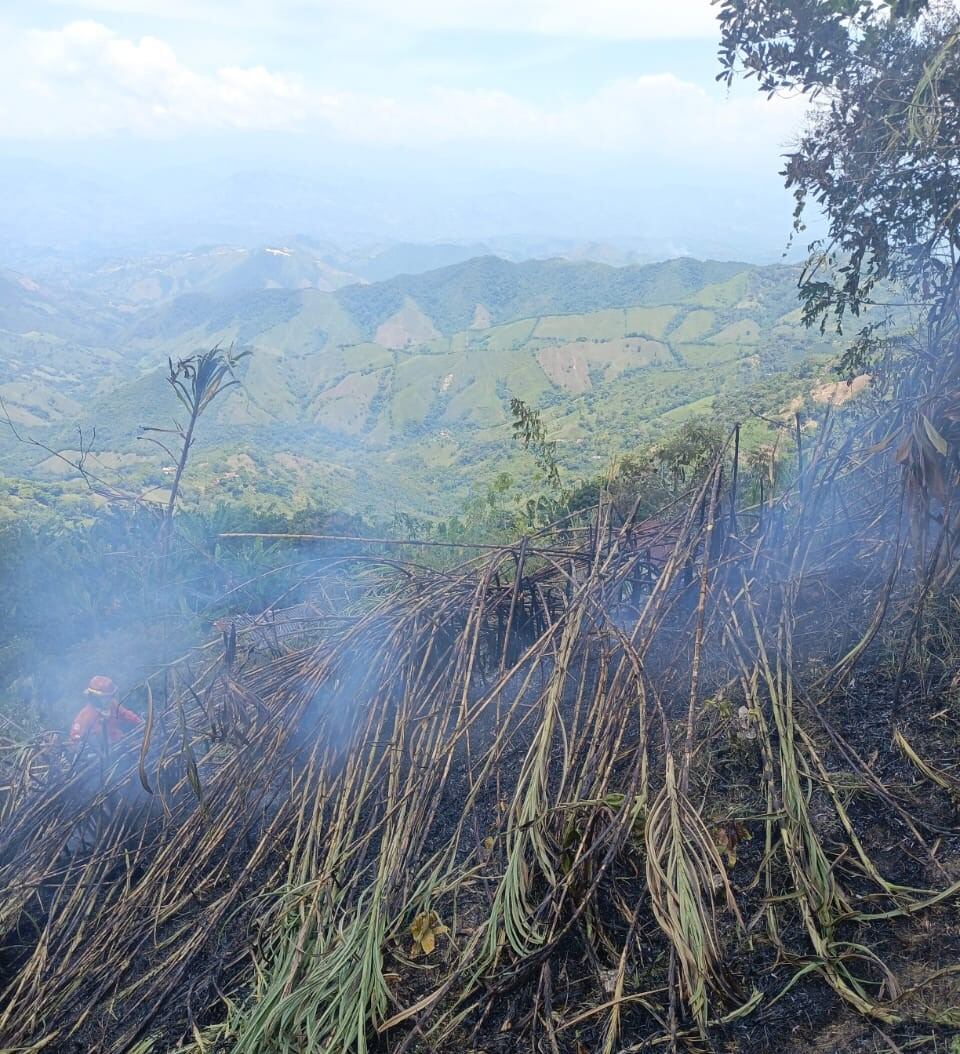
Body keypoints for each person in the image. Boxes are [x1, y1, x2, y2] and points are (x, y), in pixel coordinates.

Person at [69, 675, 143, 751]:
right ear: (94, 697)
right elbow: (74, 739)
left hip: (121, 745)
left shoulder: (112, 704)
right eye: (105, 697)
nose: (109, 699)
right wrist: (76, 745)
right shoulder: (84, 716)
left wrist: (140, 723)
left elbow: (125, 714)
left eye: (110, 696)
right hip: (102, 754)